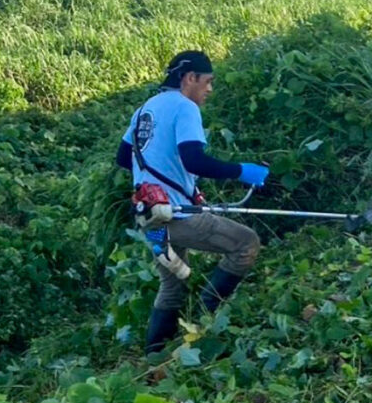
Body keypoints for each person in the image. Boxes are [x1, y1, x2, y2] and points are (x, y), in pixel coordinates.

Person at [116, 50, 270, 355]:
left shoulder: (146, 108)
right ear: (190, 79)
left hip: (150, 217)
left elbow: (123, 158)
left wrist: (170, 184)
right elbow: (194, 159)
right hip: (177, 217)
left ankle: (154, 357)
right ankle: (203, 323)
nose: (210, 89)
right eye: (208, 82)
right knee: (246, 244)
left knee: (172, 286)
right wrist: (241, 171)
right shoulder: (185, 108)